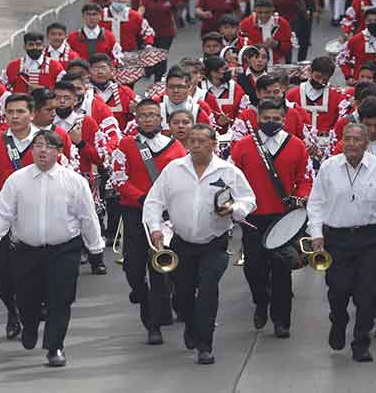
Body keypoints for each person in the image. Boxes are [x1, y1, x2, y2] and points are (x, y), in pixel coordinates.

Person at [0, 130, 104, 367]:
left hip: (64, 249)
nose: (42, 151)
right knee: (27, 298)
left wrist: (95, 248)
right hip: (27, 249)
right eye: (38, 146)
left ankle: (55, 346)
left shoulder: (74, 181)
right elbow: (3, 213)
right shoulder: (17, 180)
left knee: (60, 299)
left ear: (58, 152)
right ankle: (29, 325)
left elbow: (87, 217)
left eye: (48, 146)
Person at [143, 124, 256, 365]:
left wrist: (234, 209)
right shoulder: (173, 170)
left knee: (207, 291)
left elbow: (248, 200)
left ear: (214, 144)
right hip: (182, 243)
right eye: (191, 140)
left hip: (213, 243)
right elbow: (153, 201)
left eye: (201, 141)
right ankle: (191, 326)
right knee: (182, 295)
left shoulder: (228, 171)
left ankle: (205, 345)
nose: (195, 145)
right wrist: (155, 229)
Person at [306, 123, 376, 363]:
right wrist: (316, 233)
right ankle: (338, 322)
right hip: (337, 240)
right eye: (347, 139)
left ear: (366, 143)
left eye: (356, 139)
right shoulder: (329, 167)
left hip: (370, 238)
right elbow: (316, 203)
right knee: (338, 291)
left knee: (367, 293)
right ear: (341, 141)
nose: (351, 143)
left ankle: (361, 343)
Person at [228, 98, 312, 337]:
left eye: (276, 119)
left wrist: (302, 197)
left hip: (283, 219)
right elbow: (231, 180)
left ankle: (281, 320)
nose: (271, 123)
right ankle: (260, 301)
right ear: (257, 120)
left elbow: (306, 180)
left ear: (284, 120)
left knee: (281, 269)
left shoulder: (296, 146)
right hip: (253, 218)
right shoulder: (243, 146)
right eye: (266, 119)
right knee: (253, 268)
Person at [110, 99, 187, 343]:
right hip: (135, 213)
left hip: (165, 218)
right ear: (136, 118)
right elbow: (118, 178)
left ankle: (153, 323)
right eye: (143, 115)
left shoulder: (175, 147)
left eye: (153, 115)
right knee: (133, 269)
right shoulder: (125, 145)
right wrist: (142, 199)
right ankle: (139, 292)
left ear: (161, 118)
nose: (149, 119)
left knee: (159, 269)